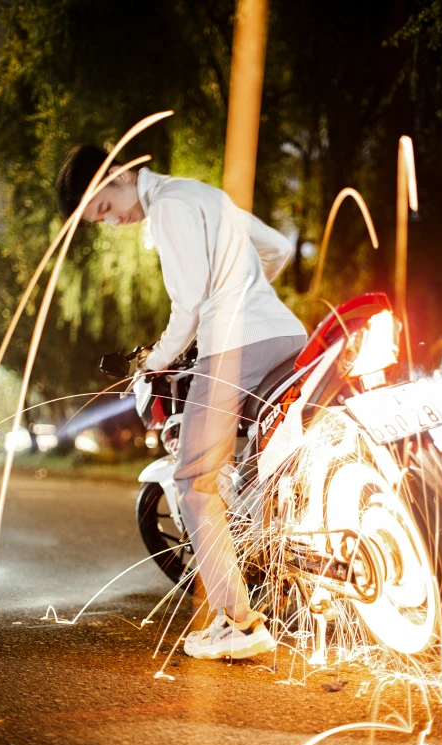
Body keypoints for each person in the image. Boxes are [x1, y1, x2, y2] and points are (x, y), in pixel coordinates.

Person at [56, 145, 307, 659]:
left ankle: (240, 624)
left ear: (120, 174)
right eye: (98, 221)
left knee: (194, 482)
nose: (113, 222)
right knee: (262, 463)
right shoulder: (199, 193)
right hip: (284, 335)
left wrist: (157, 360)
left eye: (104, 208)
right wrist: (245, 296)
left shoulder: (168, 206)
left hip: (235, 345)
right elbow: (278, 247)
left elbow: (189, 303)